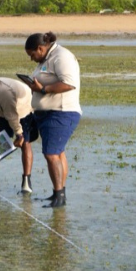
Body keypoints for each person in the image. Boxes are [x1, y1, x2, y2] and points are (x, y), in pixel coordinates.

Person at [21, 32, 81, 208]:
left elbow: (69, 83)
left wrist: (44, 89)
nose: (32, 59)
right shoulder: (46, 59)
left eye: (32, 55)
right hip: (47, 114)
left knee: (51, 154)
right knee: (58, 153)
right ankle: (58, 194)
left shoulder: (62, 57)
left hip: (62, 112)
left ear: (41, 48)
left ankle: (59, 197)